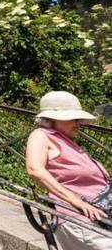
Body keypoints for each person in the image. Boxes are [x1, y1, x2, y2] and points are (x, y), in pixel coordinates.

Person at [25, 91, 111, 249]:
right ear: (52, 119)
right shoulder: (41, 135)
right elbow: (34, 169)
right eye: (73, 118)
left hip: (99, 217)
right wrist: (75, 200)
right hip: (81, 220)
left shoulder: (67, 142)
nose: (78, 123)